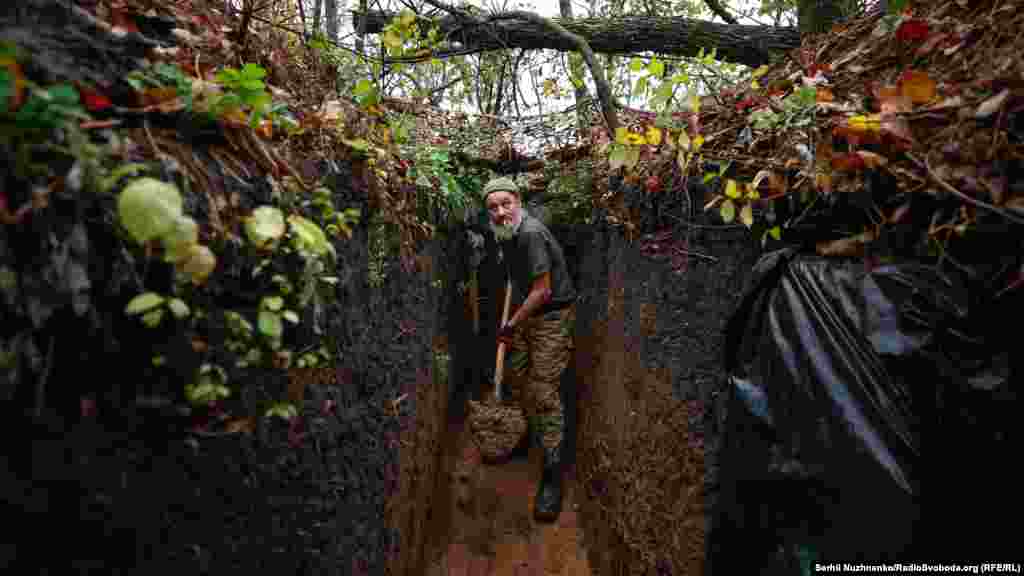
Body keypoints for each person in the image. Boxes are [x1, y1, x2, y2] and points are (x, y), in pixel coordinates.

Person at [482, 176, 576, 523]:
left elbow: (543, 291)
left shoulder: (532, 233)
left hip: (550, 316)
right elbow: (515, 278)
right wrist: (515, 318)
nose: (500, 212)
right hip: (527, 311)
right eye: (493, 207)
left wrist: (510, 324)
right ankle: (522, 435)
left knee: (543, 391)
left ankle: (553, 474)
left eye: (506, 203)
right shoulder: (505, 232)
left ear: (519, 201)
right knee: (517, 376)